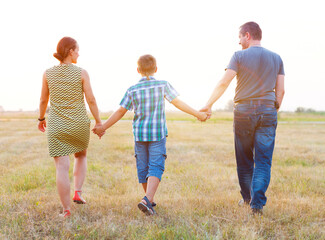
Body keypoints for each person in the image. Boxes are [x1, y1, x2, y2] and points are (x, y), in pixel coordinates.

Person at [92, 54, 208, 215]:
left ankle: (149, 199)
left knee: (143, 168)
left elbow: (120, 111)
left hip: (140, 135)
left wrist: (103, 126)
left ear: (138, 70)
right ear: (156, 69)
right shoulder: (162, 85)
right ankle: (147, 200)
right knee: (156, 166)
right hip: (157, 134)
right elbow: (177, 102)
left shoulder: (132, 90)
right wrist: (197, 114)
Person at [201, 22, 285, 215]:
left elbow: (224, 82)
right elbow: (281, 90)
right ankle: (257, 204)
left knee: (245, 159)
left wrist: (208, 104)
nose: (238, 42)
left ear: (247, 35)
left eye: (239, 37)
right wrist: (274, 107)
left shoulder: (238, 56)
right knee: (263, 161)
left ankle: (248, 199)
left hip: (244, 111)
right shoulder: (277, 58)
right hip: (268, 109)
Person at [38, 37, 104, 218]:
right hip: (78, 123)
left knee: (61, 166)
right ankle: (78, 192)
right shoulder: (82, 73)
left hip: (57, 125)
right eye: (77, 50)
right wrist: (99, 122)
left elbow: (44, 100)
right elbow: (91, 100)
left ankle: (66, 210)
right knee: (81, 155)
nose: (79, 53)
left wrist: (41, 118)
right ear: (70, 51)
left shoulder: (47, 73)